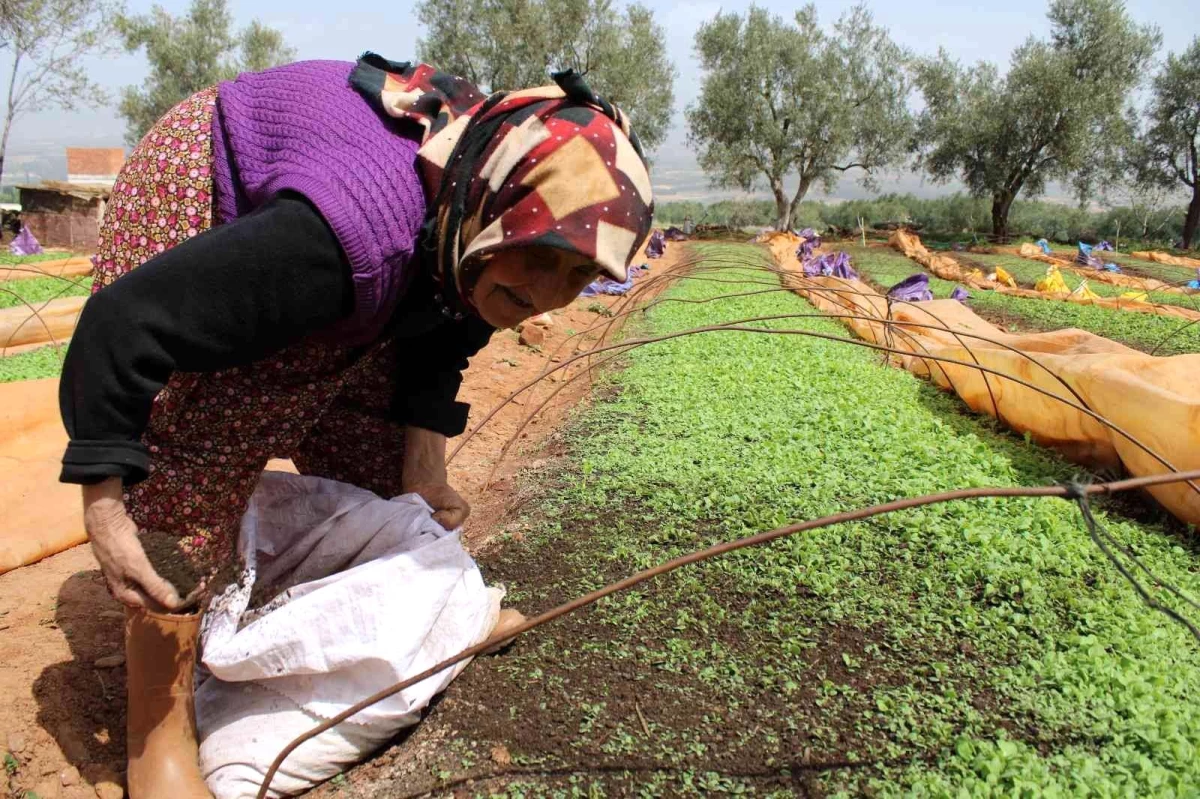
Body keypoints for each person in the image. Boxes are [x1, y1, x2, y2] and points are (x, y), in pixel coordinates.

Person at [58, 54, 653, 797]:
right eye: (540, 255)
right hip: (207, 172)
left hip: (348, 233)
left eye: (578, 274)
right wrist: (104, 499)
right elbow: (125, 325)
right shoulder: (343, 239)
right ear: (498, 204)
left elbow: (449, 321)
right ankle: (158, 732)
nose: (547, 294)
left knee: (375, 442)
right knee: (211, 425)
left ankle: (373, 615)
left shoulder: (466, 217)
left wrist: (422, 461)